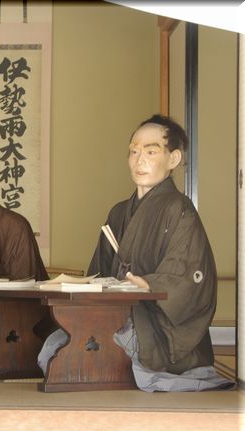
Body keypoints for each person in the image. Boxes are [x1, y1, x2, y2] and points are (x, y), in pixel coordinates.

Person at [38, 115, 232, 391]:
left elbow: (188, 276)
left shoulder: (180, 209)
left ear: (173, 159)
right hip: (116, 316)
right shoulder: (118, 213)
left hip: (153, 326)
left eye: (151, 152)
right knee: (55, 348)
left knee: (79, 357)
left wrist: (149, 284)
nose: (139, 160)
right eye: (133, 151)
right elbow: (99, 274)